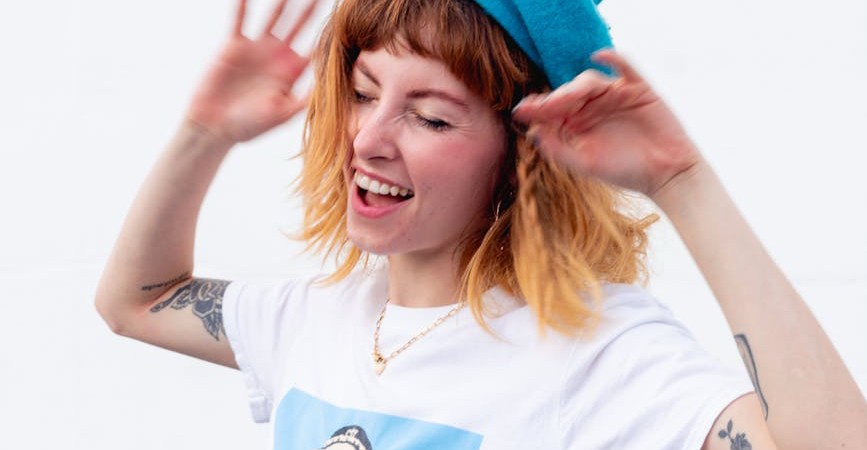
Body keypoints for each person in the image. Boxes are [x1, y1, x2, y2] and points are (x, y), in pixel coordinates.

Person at [94, 0, 867, 449]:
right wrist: (203, 135)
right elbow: (133, 300)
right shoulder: (310, 318)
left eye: (430, 117)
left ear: (518, 157)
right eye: (363, 93)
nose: (368, 139)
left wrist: (683, 186)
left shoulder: (598, 353)